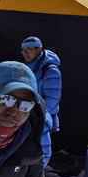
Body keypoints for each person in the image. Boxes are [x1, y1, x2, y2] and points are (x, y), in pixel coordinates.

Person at [21, 36, 62, 166]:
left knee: (42, 150)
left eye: (29, 50)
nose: (25, 53)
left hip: (42, 117)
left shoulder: (50, 70)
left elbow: (52, 99)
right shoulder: (28, 67)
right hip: (30, 114)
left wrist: (41, 116)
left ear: (39, 49)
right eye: (23, 50)